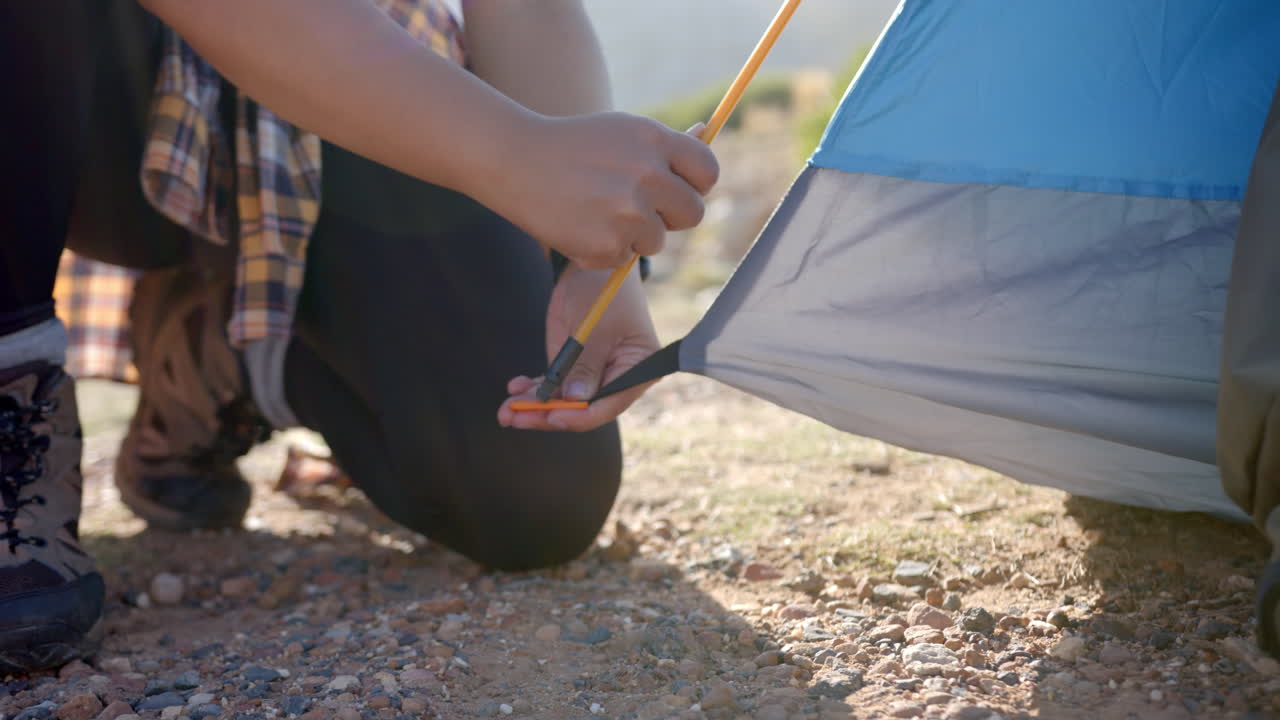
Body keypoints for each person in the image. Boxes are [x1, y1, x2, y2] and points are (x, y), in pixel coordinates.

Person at [0, 0, 719, 674]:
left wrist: (595, 257)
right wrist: (511, 152)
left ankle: (217, 355)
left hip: (366, 70)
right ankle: (13, 380)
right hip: (86, 81)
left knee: (536, 488)